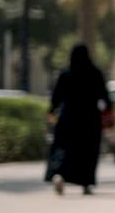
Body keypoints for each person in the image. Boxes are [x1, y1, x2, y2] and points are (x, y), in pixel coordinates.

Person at [45, 44, 110, 196]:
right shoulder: (95, 73)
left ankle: (59, 175)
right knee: (87, 152)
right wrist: (108, 111)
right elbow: (105, 98)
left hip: (68, 119)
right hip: (90, 120)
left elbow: (56, 98)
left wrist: (51, 112)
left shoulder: (66, 73)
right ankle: (86, 183)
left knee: (64, 150)